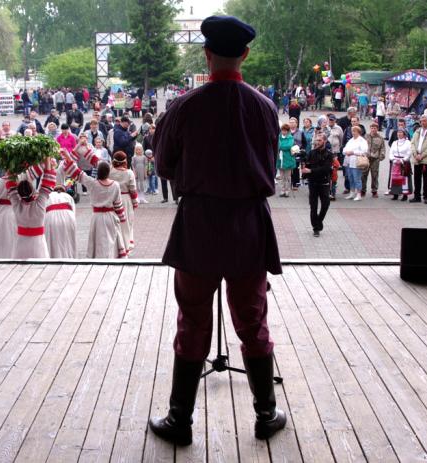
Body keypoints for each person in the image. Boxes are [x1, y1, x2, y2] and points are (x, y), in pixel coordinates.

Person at [150, 15, 285, 446]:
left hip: (200, 226)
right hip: (248, 226)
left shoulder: (184, 107)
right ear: (245, 54)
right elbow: (270, 164)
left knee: (192, 319)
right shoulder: (264, 107)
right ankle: (266, 415)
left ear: (206, 54)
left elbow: (164, 166)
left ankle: (180, 421)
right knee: (252, 318)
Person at [63, 156, 128, 258]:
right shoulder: (115, 185)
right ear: (108, 172)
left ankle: (98, 260)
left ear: (98, 172)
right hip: (110, 217)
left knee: (98, 241)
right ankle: (110, 259)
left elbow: (78, 173)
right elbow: (118, 205)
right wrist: (122, 218)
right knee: (110, 241)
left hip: (97, 217)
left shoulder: (92, 184)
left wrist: (68, 158)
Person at [5, 159, 57, 259]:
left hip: (20, 244)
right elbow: (48, 184)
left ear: (19, 193)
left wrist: (11, 161)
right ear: (33, 190)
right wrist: (47, 159)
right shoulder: (40, 203)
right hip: (38, 244)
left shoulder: (16, 204)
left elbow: (10, 184)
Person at [303, 133, 333, 236]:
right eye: (316, 140)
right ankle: (316, 228)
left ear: (324, 141)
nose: (317, 142)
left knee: (326, 204)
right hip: (313, 183)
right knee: (313, 206)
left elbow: (326, 169)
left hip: (324, 182)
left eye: (319, 140)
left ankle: (318, 221)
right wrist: (304, 167)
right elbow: (307, 165)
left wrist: (310, 170)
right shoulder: (311, 153)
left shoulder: (329, 154)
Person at [109, 151, 138, 252]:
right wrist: (135, 203)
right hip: (125, 199)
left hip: (112, 199)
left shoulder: (109, 171)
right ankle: (126, 246)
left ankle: (115, 246)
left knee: (115, 222)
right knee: (126, 223)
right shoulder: (129, 173)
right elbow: (133, 190)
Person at [409, 116, 427, 204]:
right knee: (417, 178)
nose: (423, 123)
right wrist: (415, 153)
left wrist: (422, 155)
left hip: (426, 159)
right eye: (421, 121)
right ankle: (417, 196)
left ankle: (426, 196)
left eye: (425, 121)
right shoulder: (417, 131)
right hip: (417, 158)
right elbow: (412, 143)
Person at [44, 185, 77, 258]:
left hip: (51, 216)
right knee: (68, 239)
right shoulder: (68, 197)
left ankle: (53, 257)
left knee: (52, 240)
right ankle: (69, 257)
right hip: (68, 216)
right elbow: (73, 212)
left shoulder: (48, 196)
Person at [342, 126, 368, 201]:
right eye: (352, 131)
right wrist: (345, 152)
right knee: (350, 178)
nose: (353, 133)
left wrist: (353, 152)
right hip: (348, 161)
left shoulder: (362, 141)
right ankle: (352, 192)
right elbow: (344, 148)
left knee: (357, 178)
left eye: (355, 131)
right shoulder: (351, 140)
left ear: (359, 132)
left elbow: (364, 151)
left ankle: (359, 194)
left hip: (357, 162)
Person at [362, 122, 385, 198]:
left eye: (375, 128)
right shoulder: (366, 136)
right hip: (366, 158)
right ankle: (363, 190)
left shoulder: (380, 138)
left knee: (374, 175)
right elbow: (361, 145)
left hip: (375, 159)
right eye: (372, 128)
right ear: (370, 128)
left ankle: (374, 191)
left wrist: (381, 156)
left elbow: (382, 148)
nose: (373, 129)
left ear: (377, 129)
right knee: (364, 174)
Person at [389, 128, 413, 201]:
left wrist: (403, 160)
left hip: (404, 163)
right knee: (395, 179)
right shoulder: (394, 142)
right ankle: (395, 193)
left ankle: (404, 195)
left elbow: (409, 153)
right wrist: (393, 159)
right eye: (398, 132)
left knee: (404, 179)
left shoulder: (408, 142)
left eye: (401, 132)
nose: (399, 134)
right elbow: (390, 152)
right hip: (395, 163)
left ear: (404, 134)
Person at [277, 123, 295, 197]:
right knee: (281, 176)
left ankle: (287, 191)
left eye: (285, 130)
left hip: (288, 159)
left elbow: (288, 146)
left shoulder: (290, 137)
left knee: (287, 177)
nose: (283, 132)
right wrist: (281, 147)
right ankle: (282, 190)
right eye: (282, 130)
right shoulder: (279, 137)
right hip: (280, 159)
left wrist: (281, 147)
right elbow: (277, 145)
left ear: (288, 131)